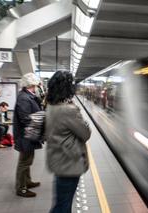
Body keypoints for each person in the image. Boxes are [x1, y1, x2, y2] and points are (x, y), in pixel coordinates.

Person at [45, 71, 91, 213]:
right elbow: (85, 133)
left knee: (61, 202)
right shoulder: (68, 110)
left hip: (58, 159)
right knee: (63, 206)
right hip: (69, 163)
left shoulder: (51, 106)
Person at [14, 73, 42, 198]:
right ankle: (21, 188)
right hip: (25, 135)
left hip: (29, 135)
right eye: (36, 85)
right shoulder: (24, 98)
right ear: (31, 85)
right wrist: (42, 118)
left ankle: (27, 181)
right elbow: (25, 118)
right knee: (24, 162)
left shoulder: (28, 96)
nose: (37, 87)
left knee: (28, 160)